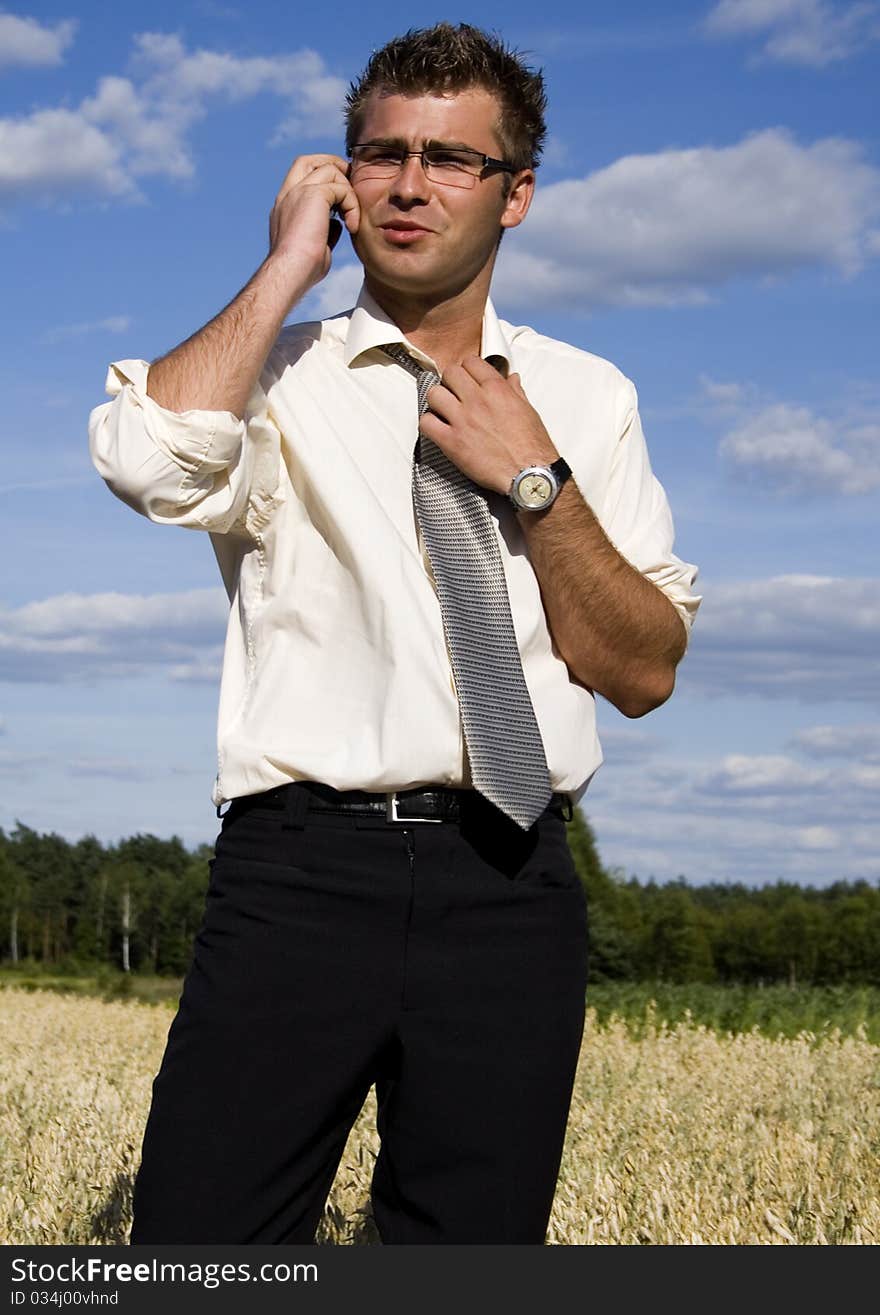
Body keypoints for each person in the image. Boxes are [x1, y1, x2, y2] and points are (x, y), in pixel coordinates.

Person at [89, 22, 700, 1245]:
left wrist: (537, 481)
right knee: (200, 1249)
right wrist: (282, 272)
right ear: (341, 174)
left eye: (453, 159)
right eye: (381, 153)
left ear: (516, 193)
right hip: (299, 873)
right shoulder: (279, 371)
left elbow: (641, 668)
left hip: (510, 879)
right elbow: (145, 460)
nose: (410, 184)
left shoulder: (586, 397)